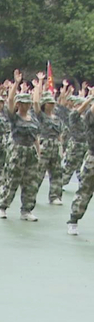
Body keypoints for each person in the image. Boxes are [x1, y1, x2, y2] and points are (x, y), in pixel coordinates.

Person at [0, 71, 44, 221]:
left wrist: (38, 150)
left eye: (27, 102)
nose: (25, 105)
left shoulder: (34, 118)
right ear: (18, 104)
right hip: (17, 150)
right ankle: (3, 207)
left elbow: (35, 136)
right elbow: (10, 100)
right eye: (22, 103)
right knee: (12, 180)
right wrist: (16, 83)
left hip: (30, 151)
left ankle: (26, 210)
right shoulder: (14, 118)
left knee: (31, 182)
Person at [65, 95, 94, 235]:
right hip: (92, 159)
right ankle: (73, 220)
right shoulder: (88, 119)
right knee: (85, 191)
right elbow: (89, 111)